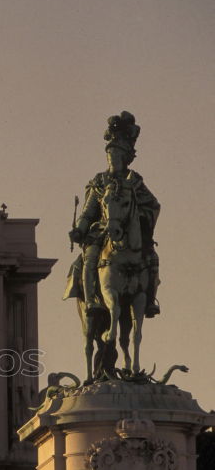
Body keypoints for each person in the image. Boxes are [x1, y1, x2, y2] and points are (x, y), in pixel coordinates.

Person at [66, 110, 160, 317]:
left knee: (152, 259)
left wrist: (140, 221)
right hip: (101, 232)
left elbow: (153, 205)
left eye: (116, 155)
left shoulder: (135, 182)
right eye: (109, 155)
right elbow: (89, 211)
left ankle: (151, 299)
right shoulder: (99, 181)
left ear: (124, 158)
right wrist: (80, 230)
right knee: (89, 258)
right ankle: (91, 300)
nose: (112, 159)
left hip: (129, 233)